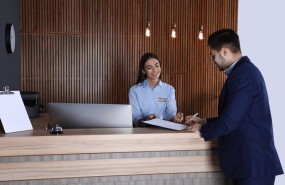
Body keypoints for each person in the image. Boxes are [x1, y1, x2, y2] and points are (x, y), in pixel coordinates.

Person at [185, 29, 283, 185]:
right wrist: (203, 121)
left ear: (224, 51)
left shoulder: (243, 75)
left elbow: (229, 121)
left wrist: (201, 130)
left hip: (253, 165)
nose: (212, 60)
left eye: (213, 54)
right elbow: (240, 116)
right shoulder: (243, 72)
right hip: (251, 165)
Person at [129, 53, 183, 127]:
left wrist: (175, 118)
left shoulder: (169, 89)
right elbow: (135, 118)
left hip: (161, 130)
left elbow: (170, 116)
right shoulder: (134, 90)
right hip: (141, 131)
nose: (155, 70)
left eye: (157, 66)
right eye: (149, 68)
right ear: (143, 71)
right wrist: (146, 119)